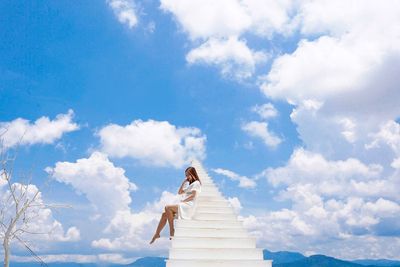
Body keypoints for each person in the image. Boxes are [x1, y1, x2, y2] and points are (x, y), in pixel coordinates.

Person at [149, 166, 202, 244]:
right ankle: (157, 234)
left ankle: (172, 230)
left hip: (189, 206)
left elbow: (193, 196)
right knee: (164, 214)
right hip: (185, 204)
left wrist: (183, 201)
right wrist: (184, 182)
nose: (187, 177)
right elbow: (180, 192)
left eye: (188, 175)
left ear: (192, 174)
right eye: (186, 175)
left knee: (167, 207)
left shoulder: (196, 183)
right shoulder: (191, 185)